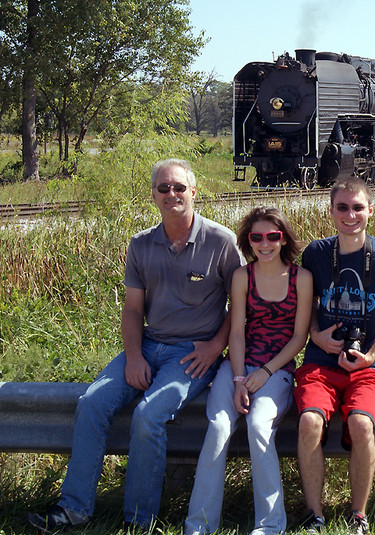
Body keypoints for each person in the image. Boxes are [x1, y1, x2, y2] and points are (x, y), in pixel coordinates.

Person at [27, 159, 243, 533]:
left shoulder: (221, 241)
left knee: (148, 416)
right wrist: (132, 357)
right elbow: (131, 309)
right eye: (163, 188)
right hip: (147, 346)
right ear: (153, 195)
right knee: (92, 403)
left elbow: (241, 306)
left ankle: (139, 521)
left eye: (179, 187)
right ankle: (74, 509)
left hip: (192, 355)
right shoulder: (141, 243)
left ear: (194, 192)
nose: (171, 194)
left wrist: (214, 348)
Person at [294, 177, 375, 534]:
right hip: (321, 361)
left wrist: (371, 354)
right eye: (342, 207)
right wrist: (316, 335)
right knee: (309, 422)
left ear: (371, 210)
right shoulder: (315, 254)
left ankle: (358, 516)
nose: (350, 215)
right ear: (331, 211)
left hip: (368, 365)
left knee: (361, 424)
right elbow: (311, 305)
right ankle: (314, 516)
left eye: (358, 207)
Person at [185, 207, 312, 535]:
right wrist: (240, 379)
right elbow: (237, 332)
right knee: (219, 427)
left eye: (273, 236)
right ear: (248, 241)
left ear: (283, 238)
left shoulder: (302, 278)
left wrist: (266, 373)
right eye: (257, 237)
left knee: (258, 427)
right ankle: (198, 524)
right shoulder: (243, 277)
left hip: (278, 369)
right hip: (239, 365)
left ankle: (270, 525)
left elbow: (299, 337)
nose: (265, 243)